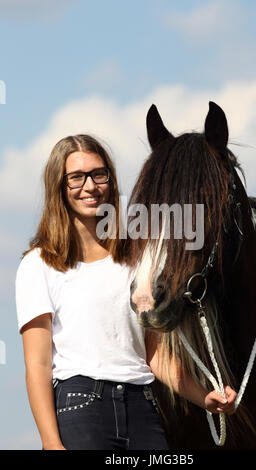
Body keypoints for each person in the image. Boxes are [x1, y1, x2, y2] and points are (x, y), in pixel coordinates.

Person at [15, 134, 237, 451]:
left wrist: (205, 397)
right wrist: (51, 443)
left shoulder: (136, 259)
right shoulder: (39, 265)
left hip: (143, 407)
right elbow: (37, 366)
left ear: (111, 179)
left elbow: (155, 355)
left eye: (98, 174)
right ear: (59, 186)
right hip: (81, 406)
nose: (90, 186)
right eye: (76, 177)